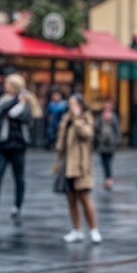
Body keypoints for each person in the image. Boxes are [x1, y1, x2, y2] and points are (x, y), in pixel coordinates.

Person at [0, 74, 39, 221]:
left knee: (19, 177)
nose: (5, 86)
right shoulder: (3, 101)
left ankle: (17, 207)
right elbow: (2, 112)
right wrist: (16, 101)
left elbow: (25, 118)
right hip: (3, 143)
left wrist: (21, 103)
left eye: (8, 84)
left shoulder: (26, 103)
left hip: (18, 144)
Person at [54, 93, 101, 243]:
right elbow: (61, 140)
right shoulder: (66, 118)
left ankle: (94, 230)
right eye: (70, 103)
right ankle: (76, 230)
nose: (71, 106)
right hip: (67, 163)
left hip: (81, 164)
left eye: (74, 103)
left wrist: (77, 119)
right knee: (71, 197)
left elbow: (86, 134)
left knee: (84, 196)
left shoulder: (85, 117)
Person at [95, 101, 121, 190]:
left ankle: (108, 178)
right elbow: (96, 128)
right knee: (104, 162)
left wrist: (116, 141)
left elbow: (117, 130)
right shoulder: (100, 117)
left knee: (108, 162)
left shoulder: (114, 118)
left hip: (111, 144)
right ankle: (108, 179)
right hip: (102, 144)